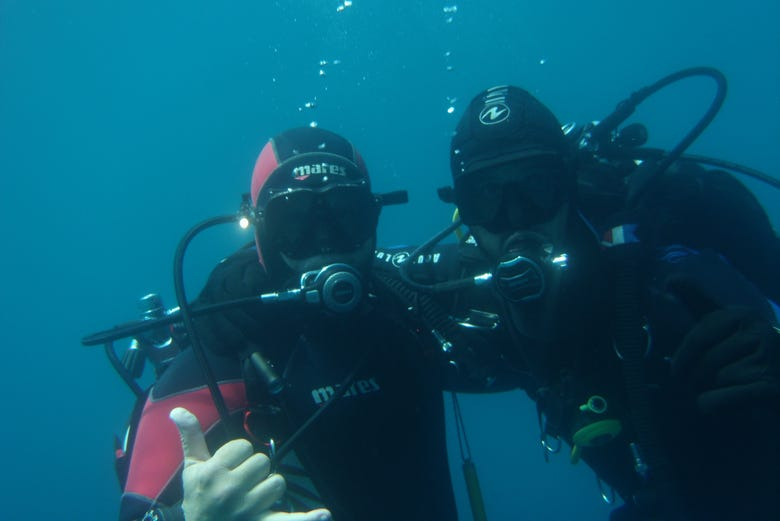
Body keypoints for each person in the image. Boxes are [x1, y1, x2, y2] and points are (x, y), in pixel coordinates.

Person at [390, 85, 780, 520]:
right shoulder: (464, 288)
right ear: (461, 208)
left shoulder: (656, 247)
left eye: (537, 188)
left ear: (569, 184)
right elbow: (365, 267)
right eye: (487, 197)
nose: (516, 219)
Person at [118, 127, 460, 521]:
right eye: (294, 224)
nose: (325, 245)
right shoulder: (221, 350)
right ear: (261, 230)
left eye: (347, 216)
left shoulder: (408, 308)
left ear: (373, 220)